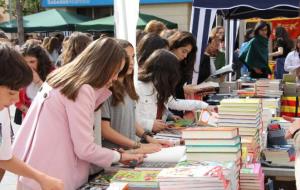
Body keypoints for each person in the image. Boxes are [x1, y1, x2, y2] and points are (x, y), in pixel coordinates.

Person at [13, 37, 144, 190]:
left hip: (37, 170)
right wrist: (119, 157)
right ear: (102, 66)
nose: (115, 78)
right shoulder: (82, 89)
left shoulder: (64, 79)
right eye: (115, 72)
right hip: (56, 176)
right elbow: (85, 149)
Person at [0, 42, 64, 190]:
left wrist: (42, 178)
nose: (15, 100)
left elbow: (4, 157)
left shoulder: (2, 110)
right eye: (11, 93)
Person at [100, 40, 171, 153]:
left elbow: (131, 120)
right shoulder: (106, 88)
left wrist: (148, 138)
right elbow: (105, 130)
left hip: (129, 153)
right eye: (127, 57)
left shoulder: (128, 87)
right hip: (113, 154)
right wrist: (137, 145)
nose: (132, 62)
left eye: (133, 57)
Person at [136, 49, 208, 133]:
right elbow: (129, 119)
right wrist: (150, 124)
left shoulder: (160, 87)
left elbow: (174, 103)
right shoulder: (138, 88)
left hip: (156, 135)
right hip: (142, 139)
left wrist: (203, 105)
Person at [168, 31, 209, 116]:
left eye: (187, 53)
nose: (185, 56)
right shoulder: (164, 64)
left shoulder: (182, 64)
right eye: (183, 51)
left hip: (174, 111)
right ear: (174, 46)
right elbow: (167, 98)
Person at [15, 43, 54, 119]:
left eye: (32, 62)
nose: (28, 66)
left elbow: (56, 97)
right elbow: (17, 100)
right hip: (29, 118)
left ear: (40, 61)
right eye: (25, 62)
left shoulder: (52, 73)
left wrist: (38, 81)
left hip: (49, 118)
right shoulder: (20, 73)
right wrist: (28, 112)